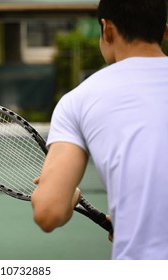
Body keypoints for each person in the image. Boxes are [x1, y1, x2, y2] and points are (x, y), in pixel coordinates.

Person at [31, 0, 168, 260]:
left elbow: (49, 212)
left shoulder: (78, 100)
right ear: (165, 33)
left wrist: (70, 196)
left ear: (107, 30)